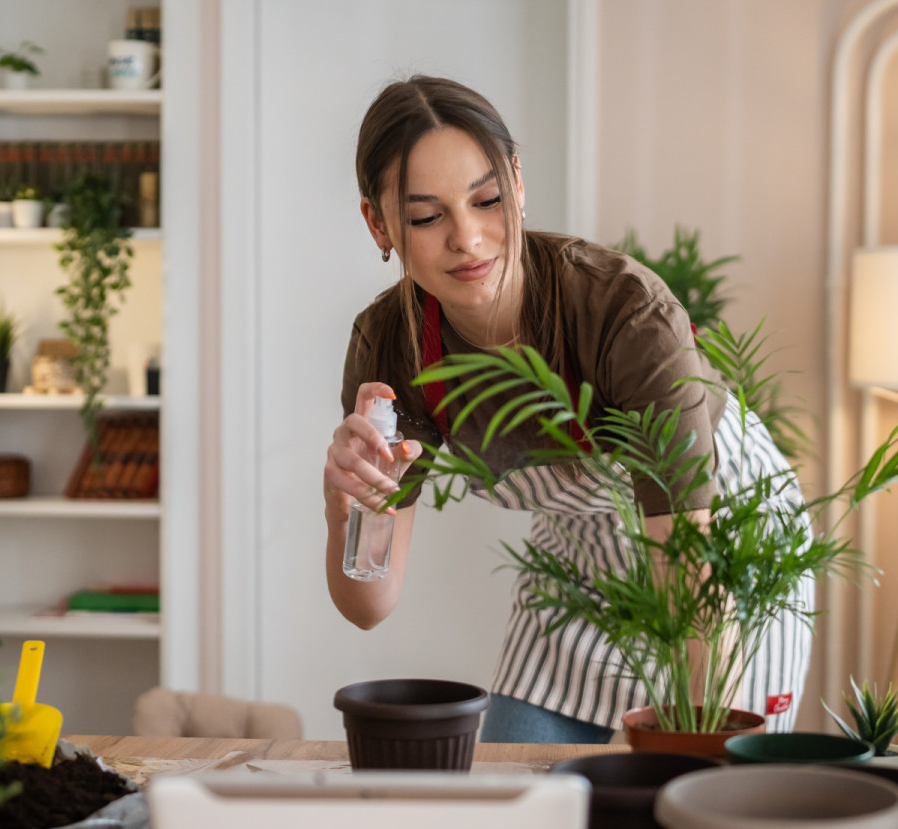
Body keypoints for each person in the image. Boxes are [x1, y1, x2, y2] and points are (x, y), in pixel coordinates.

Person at [324, 75, 809, 744]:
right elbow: (370, 604)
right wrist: (343, 504)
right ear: (377, 223)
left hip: (725, 549)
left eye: (487, 199)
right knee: (519, 792)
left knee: (704, 799)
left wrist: (697, 745)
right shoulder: (392, 348)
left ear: (517, 182)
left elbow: (687, 563)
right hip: (577, 560)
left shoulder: (623, 313)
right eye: (426, 217)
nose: (467, 239)